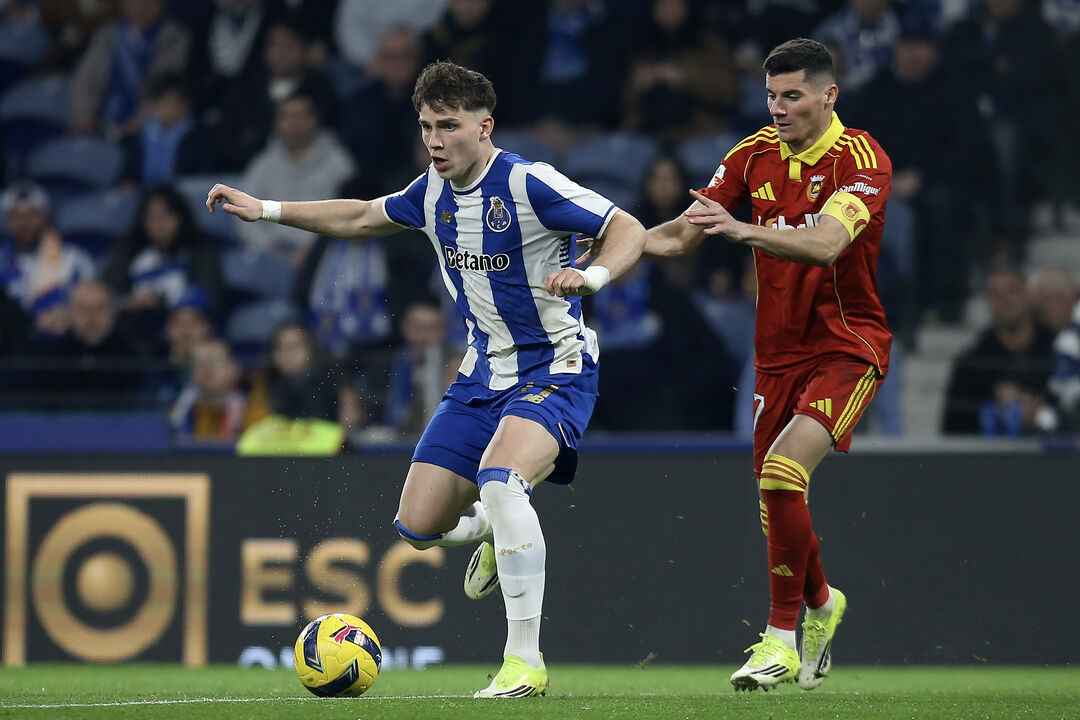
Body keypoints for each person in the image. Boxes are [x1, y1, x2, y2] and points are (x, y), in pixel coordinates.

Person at [206, 60, 646, 698]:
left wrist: (594, 276)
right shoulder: (432, 192)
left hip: (555, 366)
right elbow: (359, 217)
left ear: (484, 126)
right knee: (416, 529)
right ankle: (499, 524)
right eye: (426, 127)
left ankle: (524, 661)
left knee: (501, 478)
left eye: (449, 126)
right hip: (478, 376)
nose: (435, 141)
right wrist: (266, 208)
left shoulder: (530, 184)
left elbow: (626, 229)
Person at [631, 38, 892, 691]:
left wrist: (744, 230)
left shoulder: (861, 159)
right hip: (775, 355)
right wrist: (610, 252)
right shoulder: (751, 154)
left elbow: (830, 242)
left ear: (829, 94)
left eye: (794, 96)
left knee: (781, 472)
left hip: (845, 344)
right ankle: (823, 605)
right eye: (772, 95)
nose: (779, 108)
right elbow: (681, 233)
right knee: (776, 495)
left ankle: (778, 641)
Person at [942, 266, 1056, 436]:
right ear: (988, 303)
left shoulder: (1058, 351)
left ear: (1028, 296)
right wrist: (994, 404)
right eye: (996, 294)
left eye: (1013, 290)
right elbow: (952, 432)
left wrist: (1039, 406)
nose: (1005, 300)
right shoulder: (971, 364)